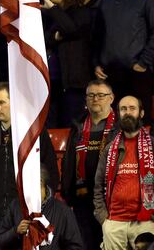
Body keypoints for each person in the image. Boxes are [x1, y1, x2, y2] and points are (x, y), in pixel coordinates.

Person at [0, 83, 59, 250]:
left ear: (13, 102)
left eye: (1, 102)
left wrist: (43, 206)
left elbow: (50, 170)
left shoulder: (33, 131)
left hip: (26, 214)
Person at [94, 0, 154, 114]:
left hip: (137, 75)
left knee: (141, 124)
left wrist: (143, 63)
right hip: (110, 76)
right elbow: (98, 35)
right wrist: (97, 63)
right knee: (113, 126)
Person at [62, 79, 118, 250]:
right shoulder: (78, 126)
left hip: (111, 201)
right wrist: (67, 193)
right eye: (91, 95)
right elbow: (69, 162)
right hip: (82, 199)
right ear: (85, 99)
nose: (95, 99)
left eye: (101, 95)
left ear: (111, 98)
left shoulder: (119, 127)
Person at [94, 95, 154, 248]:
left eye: (132, 108)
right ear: (118, 113)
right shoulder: (110, 149)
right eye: (123, 109)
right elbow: (98, 186)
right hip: (113, 222)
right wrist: (104, 219)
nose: (127, 112)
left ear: (141, 113)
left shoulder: (152, 146)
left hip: (145, 221)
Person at [40, 0, 93, 127]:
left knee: (70, 128)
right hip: (54, 84)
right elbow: (47, 38)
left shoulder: (81, 12)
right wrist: (55, 36)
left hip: (74, 85)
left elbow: (70, 28)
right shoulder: (54, 15)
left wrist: (52, 8)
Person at [0, 167, 84, 250]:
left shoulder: (63, 211)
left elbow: (76, 246)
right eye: (28, 187)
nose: (32, 192)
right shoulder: (15, 206)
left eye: (36, 186)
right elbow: (0, 242)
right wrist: (15, 232)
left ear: (45, 187)